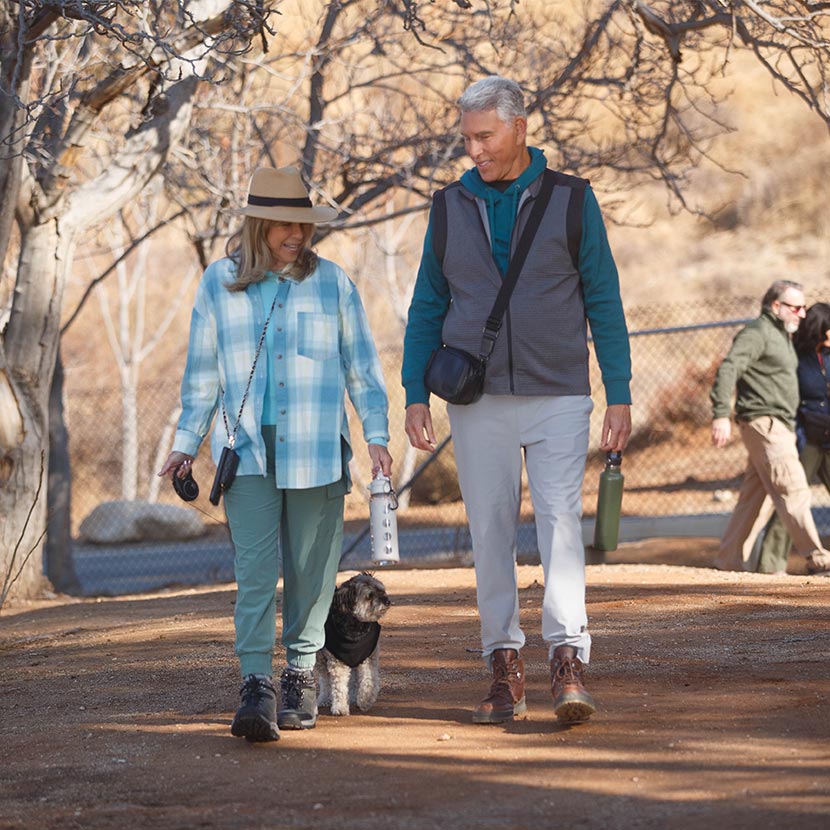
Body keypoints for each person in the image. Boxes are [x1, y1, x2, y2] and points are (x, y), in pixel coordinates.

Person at [402, 76, 631, 725]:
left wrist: (620, 393)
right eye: (467, 137)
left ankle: (567, 657)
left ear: (520, 127)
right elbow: (427, 304)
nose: (474, 148)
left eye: (485, 135)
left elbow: (605, 301)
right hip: (477, 401)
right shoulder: (448, 206)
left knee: (561, 526)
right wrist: (413, 391)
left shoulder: (572, 199)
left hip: (559, 391)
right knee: (491, 531)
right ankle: (503, 663)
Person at [159, 167, 392, 742]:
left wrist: (378, 434)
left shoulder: (333, 283)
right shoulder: (219, 283)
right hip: (247, 454)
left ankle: (300, 675)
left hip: (317, 448)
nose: (298, 235)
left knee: (312, 572)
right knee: (255, 573)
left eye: (305, 225)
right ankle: (256, 685)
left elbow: (362, 366)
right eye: (288, 225)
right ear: (261, 225)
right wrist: (187, 442)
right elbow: (202, 374)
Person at [710, 280, 830, 575]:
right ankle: (818, 558)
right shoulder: (757, 333)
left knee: (754, 500)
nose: (802, 314)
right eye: (797, 307)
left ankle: (728, 562)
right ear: (776, 306)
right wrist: (721, 414)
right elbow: (729, 368)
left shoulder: (780, 336)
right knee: (794, 487)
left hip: (778, 425)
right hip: (765, 423)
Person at [755, 302, 830, 574]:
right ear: (821, 329)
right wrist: (794, 436)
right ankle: (770, 566)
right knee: (791, 501)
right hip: (806, 441)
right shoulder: (796, 357)